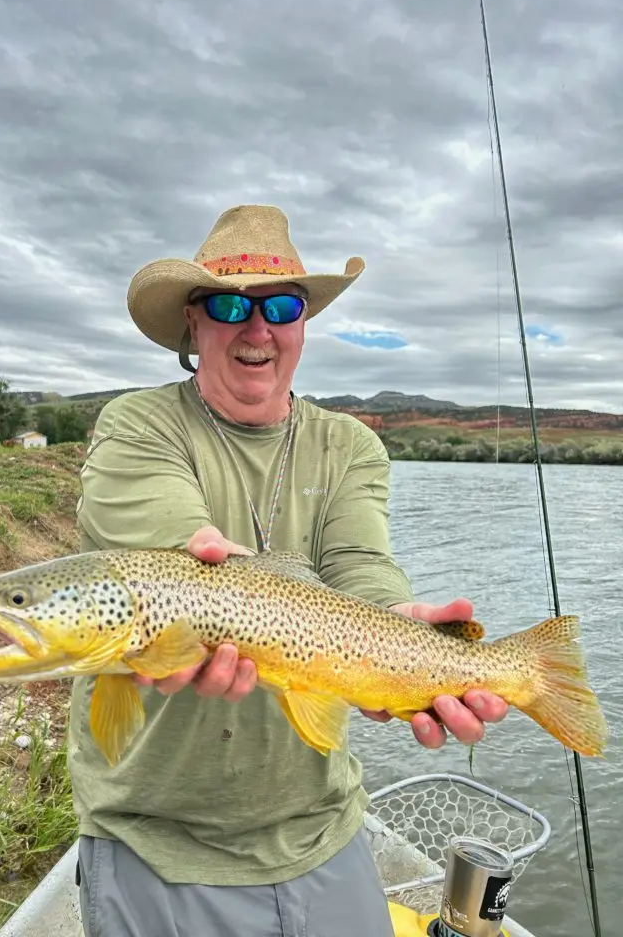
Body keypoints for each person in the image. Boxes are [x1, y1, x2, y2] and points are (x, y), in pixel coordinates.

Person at [68, 204, 508, 937]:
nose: (258, 329)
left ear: (302, 323)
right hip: (157, 837)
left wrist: (398, 634)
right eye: (230, 305)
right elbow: (179, 563)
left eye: (281, 306)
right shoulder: (137, 425)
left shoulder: (351, 445)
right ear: (193, 323)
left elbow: (362, 566)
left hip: (322, 828)